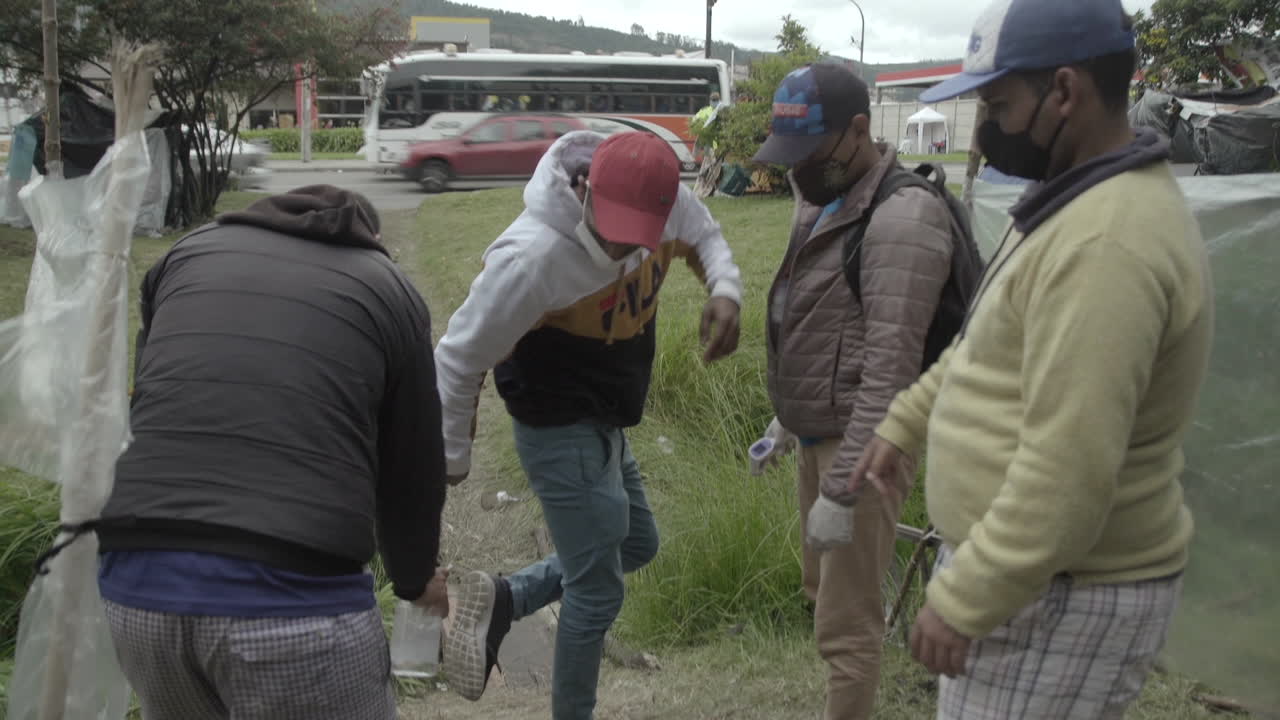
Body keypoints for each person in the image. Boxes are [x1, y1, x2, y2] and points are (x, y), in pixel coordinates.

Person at [849, 1, 1214, 718]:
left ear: (1065, 92)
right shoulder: (1072, 204)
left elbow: (1067, 468)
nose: (987, 129)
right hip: (1035, 582)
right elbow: (986, 345)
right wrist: (906, 421)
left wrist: (966, 594)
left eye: (997, 106)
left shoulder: (1104, 246)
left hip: (1058, 593)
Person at [96, 186, 450, 720]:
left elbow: (149, 396)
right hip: (292, 600)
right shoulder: (387, 286)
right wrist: (416, 579)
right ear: (370, 237)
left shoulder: (183, 256)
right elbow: (413, 465)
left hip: (137, 587)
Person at [435, 130, 743, 719]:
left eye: (638, 233)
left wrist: (725, 289)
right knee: (596, 592)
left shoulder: (664, 200)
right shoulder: (531, 260)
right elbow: (457, 357)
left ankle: (504, 598)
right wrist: (452, 457)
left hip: (607, 417)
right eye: (612, 224)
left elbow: (705, 233)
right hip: (557, 424)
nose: (620, 244)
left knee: (638, 542)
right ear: (586, 189)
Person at [749, 63, 958, 720]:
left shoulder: (902, 219)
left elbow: (891, 372)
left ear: (859, 131)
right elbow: (822, 319)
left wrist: (843, 490)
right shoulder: (826, 198)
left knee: (848, 625)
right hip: (820, 432)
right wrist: (786, 422)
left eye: (810, 153)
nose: (798, 169)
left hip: (863, 448)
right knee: (823, 594)